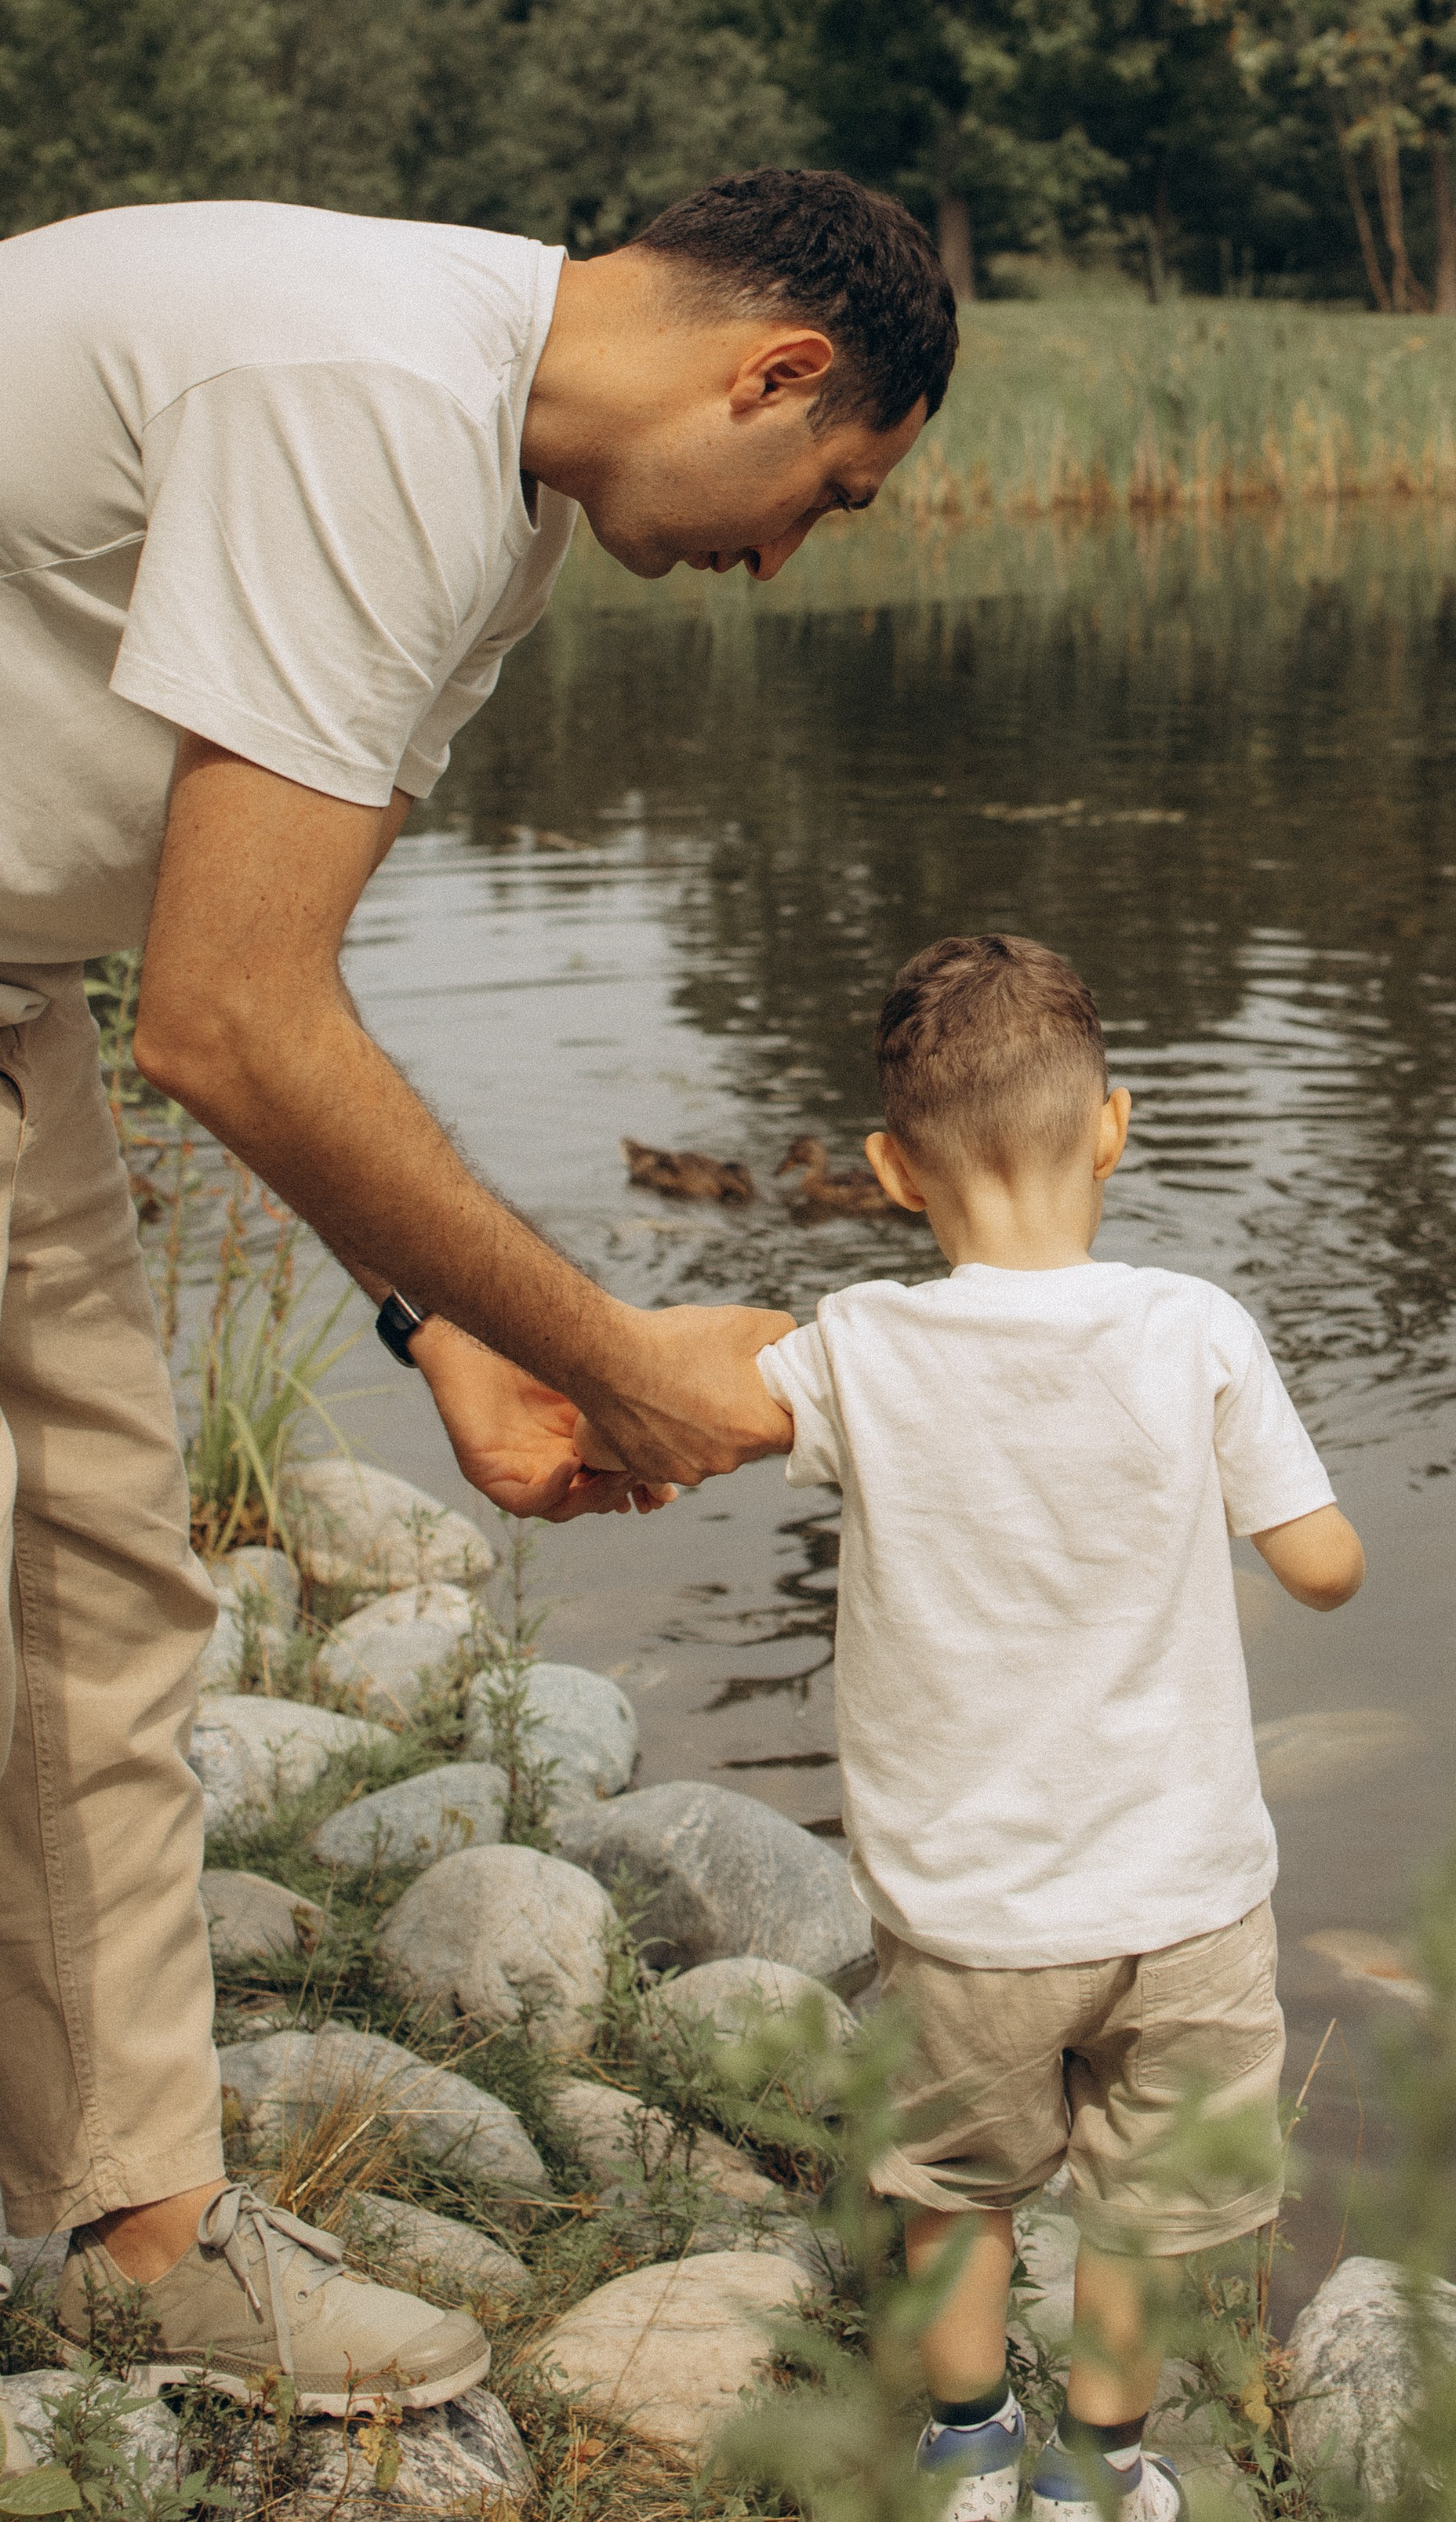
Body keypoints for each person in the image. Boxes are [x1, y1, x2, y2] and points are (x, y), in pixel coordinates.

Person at [0, 169, 953, 2408]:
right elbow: (232, 1023)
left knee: (95, 1592)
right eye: (828, 493)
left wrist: (459, 1339)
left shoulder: (491, 504)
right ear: (778, 372)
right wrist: (619, 1363)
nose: (783, 559)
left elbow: (233, 973)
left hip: (18, 994)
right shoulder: (362, 397)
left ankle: (140, 2240)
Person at [587, 933, 1363, 2522]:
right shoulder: (1194, 1329)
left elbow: (704, 1414)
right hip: (1186, 1902)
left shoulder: (858, 1346)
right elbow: (1319, 1566)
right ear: (1114, 1129)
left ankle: (963, 2455)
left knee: (950, 2188)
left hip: (969, 1919)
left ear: (885, 1169)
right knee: (1146, 2208)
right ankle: (1101, 2476)